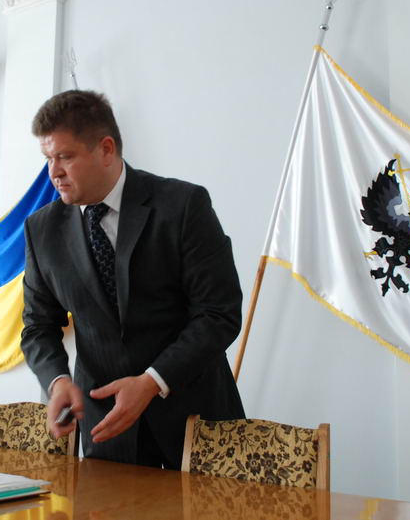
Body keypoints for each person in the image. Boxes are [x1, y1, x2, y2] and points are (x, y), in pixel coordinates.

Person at [21, 90, 245, 469]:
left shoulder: (183, 205)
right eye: (48, 158)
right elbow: (37, 326)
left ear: (106, 149)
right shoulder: (41, 229)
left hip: (198, 425)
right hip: (108, 433)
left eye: (65, 156)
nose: (53, 172)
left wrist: (152, 381)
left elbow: (218, 313)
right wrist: (57, 380)